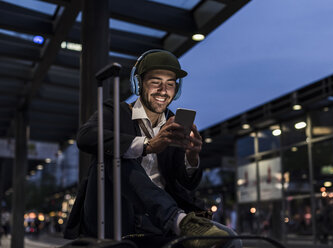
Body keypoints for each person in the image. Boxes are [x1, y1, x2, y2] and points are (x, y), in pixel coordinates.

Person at [65, 50, 241, 248]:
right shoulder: (116, 112)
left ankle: (179, 220)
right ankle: (180, 221)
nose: (163, 90)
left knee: (231, 240)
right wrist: (147, 146)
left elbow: (186, 185)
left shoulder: (173, 124)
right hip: (119, 214)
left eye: (170, 84)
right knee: (115, 155)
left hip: (159, 223)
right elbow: (86, 136)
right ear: (138, 84)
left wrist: (191, 158)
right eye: (156, 82)